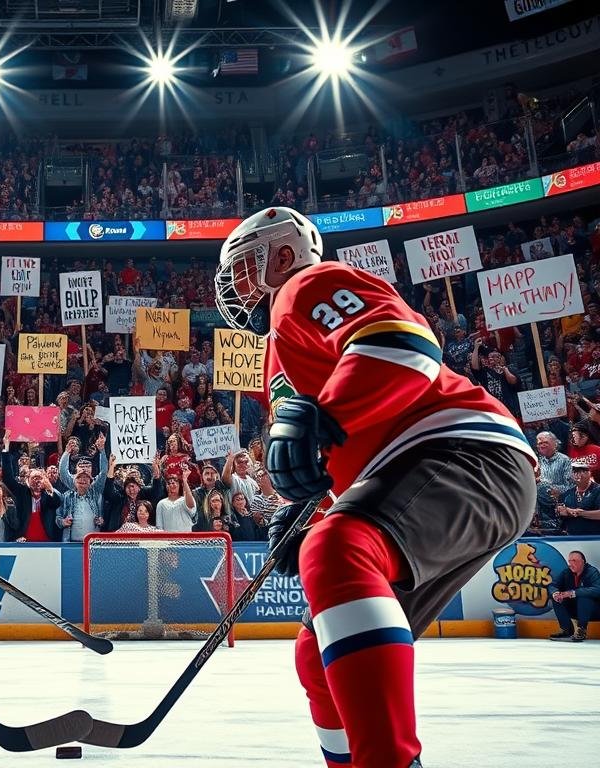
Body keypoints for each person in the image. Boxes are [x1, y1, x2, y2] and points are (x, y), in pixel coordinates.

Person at [215, 206, 535, 768]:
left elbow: (405, 346)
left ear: (282, 256)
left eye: (243, 265)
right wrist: (312, 511)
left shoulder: (306, 284)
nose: (233, 283)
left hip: (465, 450)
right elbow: (341, 445)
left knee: (337, 550)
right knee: (318, 651)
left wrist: (318, 431)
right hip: (417, 468)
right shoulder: (275, 349)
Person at [549, 550, 600, 642]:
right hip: (576, 610)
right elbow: (552, 585)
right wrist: (555, 593)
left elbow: (598, 590)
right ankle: (566, 630)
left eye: (574, 561)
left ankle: (581, 630)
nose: (570, 564)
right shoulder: (566, 573)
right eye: (569, 561)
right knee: (557, 598)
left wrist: (573, 593)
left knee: (584, 596)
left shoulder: (592, 572)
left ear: (583, 562)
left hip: (594, 611)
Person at [556, 459, 600, 536]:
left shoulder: (598, 490)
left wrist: (579, 513)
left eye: (582, 471)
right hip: (572, 538)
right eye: (575, 471)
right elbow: (560, 512)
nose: (578, 474)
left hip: (595, 538)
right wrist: (563, 510)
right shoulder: (567, 494)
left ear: (590, 473)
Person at [156, 467, 196, 533]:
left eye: (174, 483)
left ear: (180, 485)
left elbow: (191, 506)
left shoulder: (185, 499)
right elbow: (159, 527)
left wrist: (184, 481)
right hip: (169, 540)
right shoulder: (161, 503)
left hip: (186, 540)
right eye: (169, 483)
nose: (171, 485)